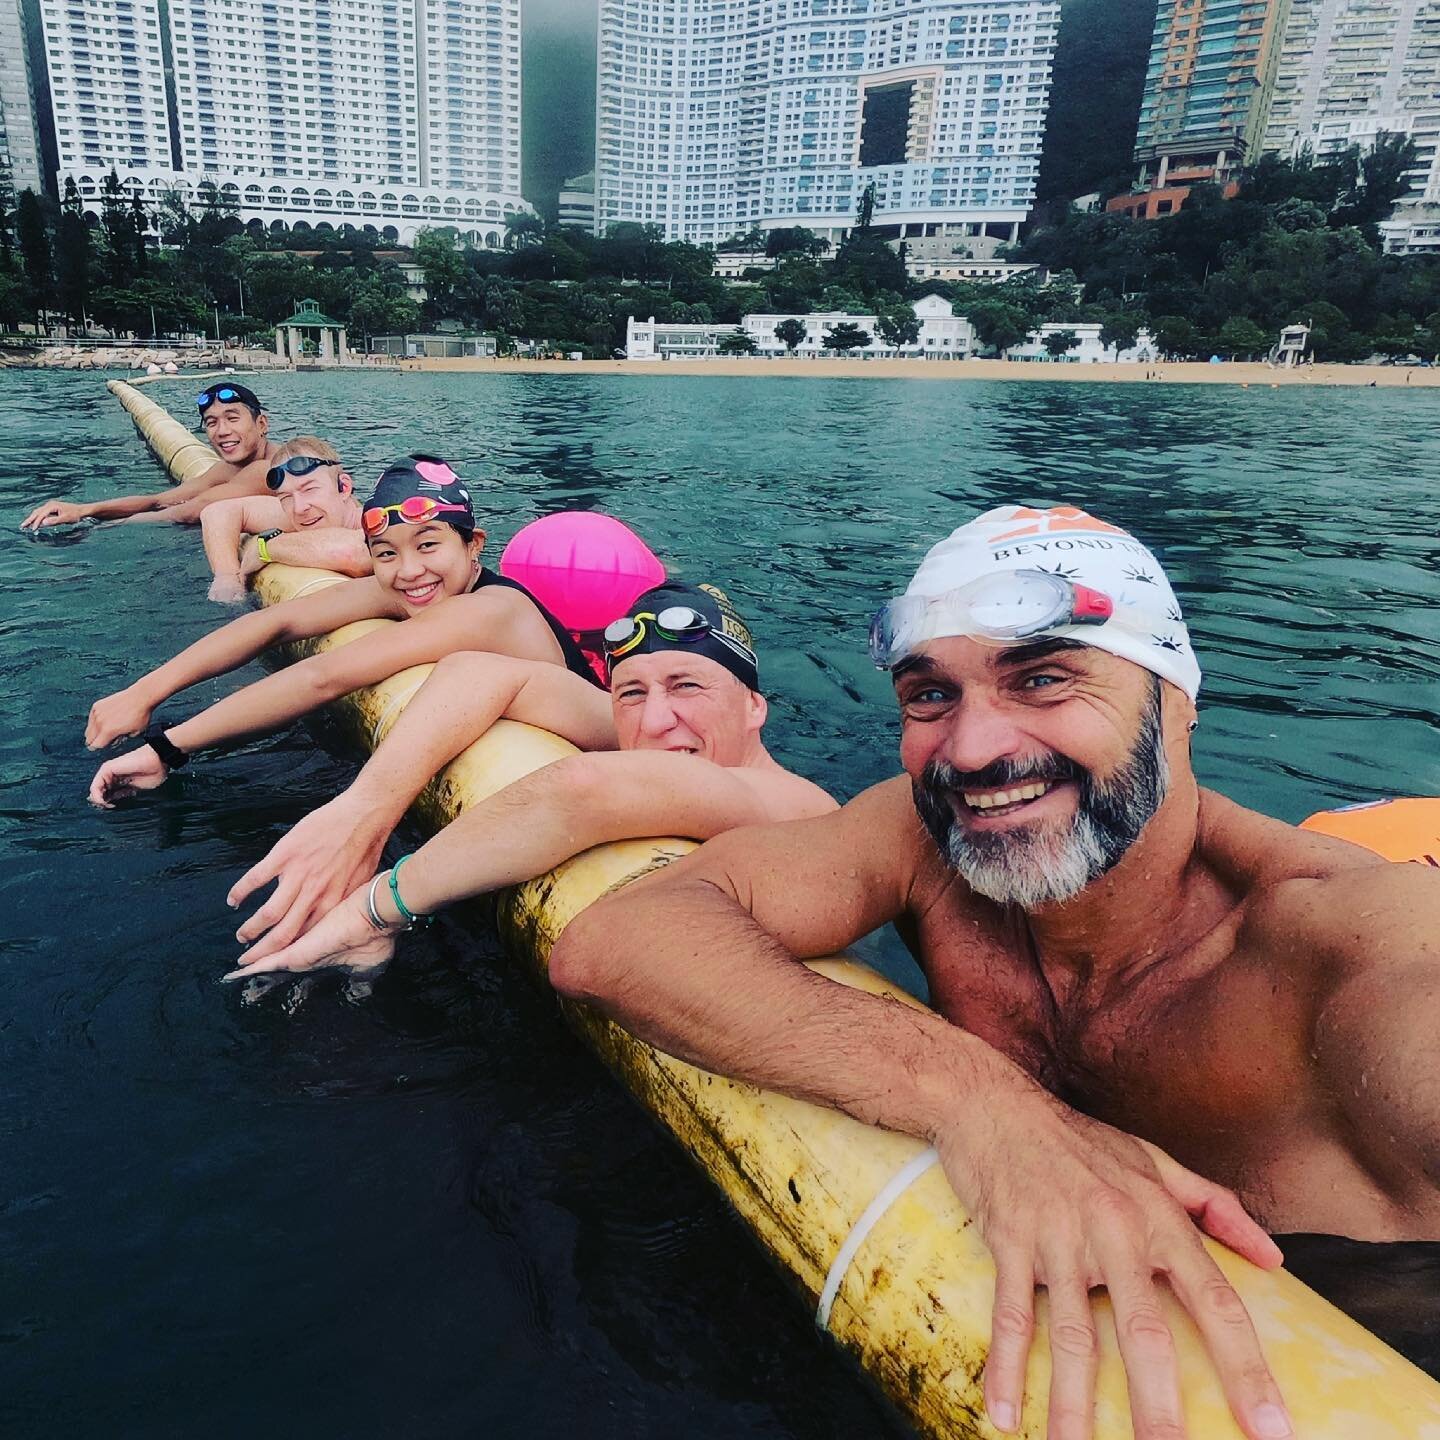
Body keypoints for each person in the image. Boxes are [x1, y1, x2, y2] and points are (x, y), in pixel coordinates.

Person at [549, 503, 1440, 1439]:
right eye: (930, 696)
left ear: (1177, 701)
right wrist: (985, 1104)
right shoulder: (926, 837)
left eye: (1045, 679)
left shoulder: (1362, 949)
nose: (973, 750)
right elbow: (618, 941)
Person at [218, 581, 835, 976]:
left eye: (687, 686)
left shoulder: (798, 803)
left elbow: (583, 789)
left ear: (756, 707)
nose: (654, 719)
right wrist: (360, 815)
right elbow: (478, 671)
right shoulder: (665, 736)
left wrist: (373, 911)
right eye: (631, 691)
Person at [84, 454, 604, 807]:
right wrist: (144, 690)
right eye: (386, 553)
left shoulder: (490, 609)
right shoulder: (413, 588)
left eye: (429, 545)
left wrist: (165, 749)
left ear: (474, 547)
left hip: (603, 761)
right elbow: (276, 622)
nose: (408, 571)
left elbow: (323, 678)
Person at [20, 382, 280, 531]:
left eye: (232, 418)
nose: (222, 431)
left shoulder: (271, 468)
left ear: (262, 424)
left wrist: (100, 527)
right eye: (211, 422)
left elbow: (189, 511)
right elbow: (160, 501)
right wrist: (83, 509)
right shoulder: (227, 470)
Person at [202, 436, 369, 604]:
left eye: (309, 489)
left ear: (344, 488)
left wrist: (264, 549)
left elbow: (355, 552)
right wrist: (228, 576)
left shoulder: (376, 516)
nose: (299, 508)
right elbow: (218, 511)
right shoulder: (306, 514)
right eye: (286, 497)